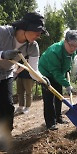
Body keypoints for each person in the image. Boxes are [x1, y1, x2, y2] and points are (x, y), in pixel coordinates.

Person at [0, 12, 49, 147]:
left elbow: (33, 70)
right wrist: (2, 54)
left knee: (7, 106)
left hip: (6, 74)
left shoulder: (32, 47)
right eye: (37, 32)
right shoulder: (3, 33)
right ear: (25, 27)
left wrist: (42, 79)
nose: (39, 36)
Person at [38, 30, 77, 130]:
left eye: (76, 46)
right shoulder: (54, 51)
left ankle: (58, 117)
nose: (74, 48)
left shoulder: (74, 50)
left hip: (58, 73)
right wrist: (67, 84)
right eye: (71, 45)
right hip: (46, 73)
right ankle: (50, 123)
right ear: (65, 41)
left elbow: (68, 61)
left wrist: (68, 69)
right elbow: (55, 72)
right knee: (49, 98)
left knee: (59, 96)